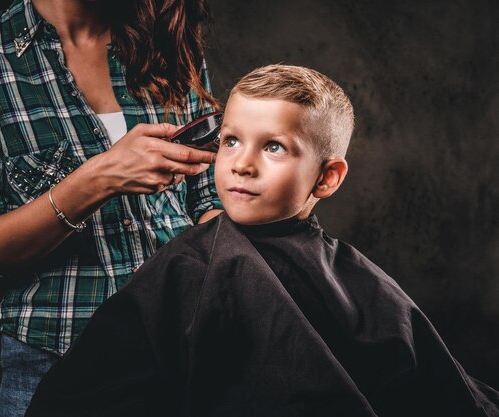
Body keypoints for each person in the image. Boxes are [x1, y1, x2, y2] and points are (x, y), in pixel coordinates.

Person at [25, 64, 499, 417]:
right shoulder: (188, 266)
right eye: (230, 140)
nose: (241, 164)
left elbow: (435, 385)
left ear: (327, 177)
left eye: (273, 147)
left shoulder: (354, 276)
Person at [0, 0, 224, 415]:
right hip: (55, 361)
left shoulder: (162, 39)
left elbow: (210, 200)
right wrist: (100, 177)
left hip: (181, 353)